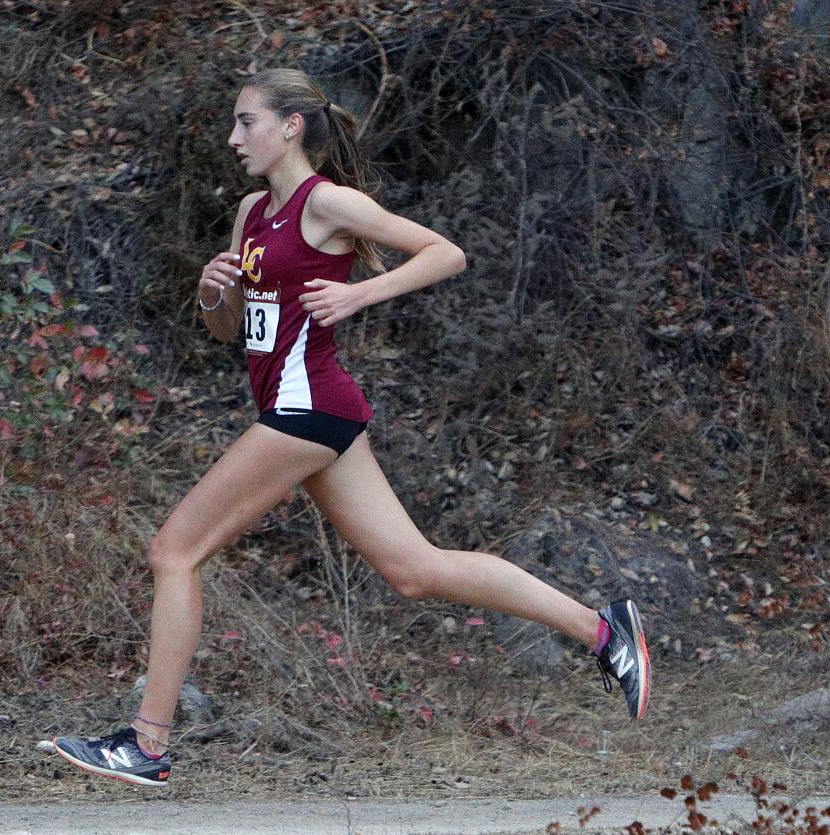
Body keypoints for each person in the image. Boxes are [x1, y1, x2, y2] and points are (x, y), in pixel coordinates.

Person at [51, 68, 651, 787]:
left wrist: (361, 292)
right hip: (305, 409)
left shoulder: (326, 202)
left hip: (311, 406)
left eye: (247, 122)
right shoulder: (251, 212)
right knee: (416, 570)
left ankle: (147, 744)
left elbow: (444, 252)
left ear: (290, 127)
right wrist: (215, 294)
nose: (234, 137)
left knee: (173, 551)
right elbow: (232, 332)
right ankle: (605, 629)